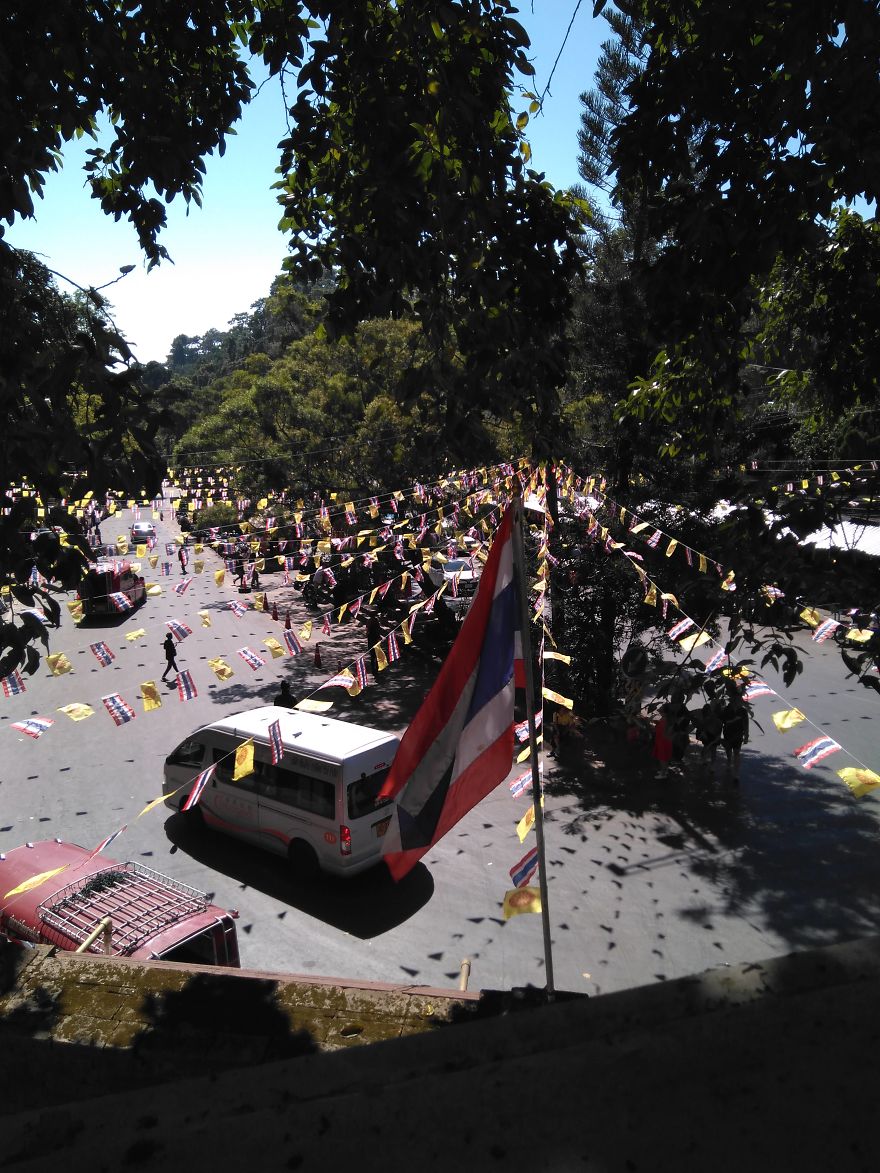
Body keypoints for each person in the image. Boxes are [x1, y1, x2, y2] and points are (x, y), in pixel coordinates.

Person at [721, 688, 750, 783]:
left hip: (738, 735)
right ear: (733, 700)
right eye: (737, 700)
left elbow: (746, 723)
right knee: (729, 752)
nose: (739, 701)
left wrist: (746, 735)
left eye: (739, 700)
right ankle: (729, 761)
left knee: (737, 753)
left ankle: (736, 774)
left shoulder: (743, 711)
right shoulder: (726, 710)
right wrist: (735, 719)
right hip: (728, 734)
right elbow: (724, 722)